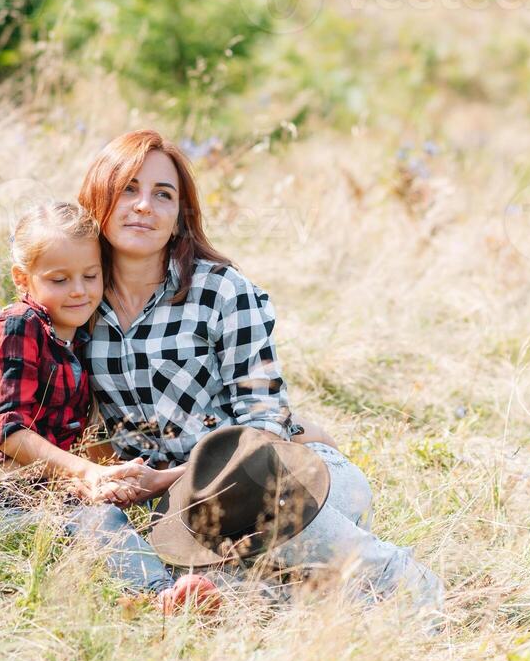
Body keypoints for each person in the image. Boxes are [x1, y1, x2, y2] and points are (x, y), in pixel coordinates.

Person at [73, 130, 443, 613]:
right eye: (128, 189)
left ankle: (419, 596)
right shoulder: (79, 301)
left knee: (276, 532)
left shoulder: (220, 291)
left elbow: (263, 415)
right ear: (98, 196)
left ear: (179, 216)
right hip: (177, 512)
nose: (144, 205)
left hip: (272, 475)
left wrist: (178, 478)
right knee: (223, 574)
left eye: (163, 194)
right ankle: (260, 606)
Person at [0, 200, 216, 613]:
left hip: (47, 480)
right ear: (23, 279)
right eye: (59, 279)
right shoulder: (20, 324)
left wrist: (108, 474)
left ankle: (185, 580)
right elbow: (8, 429)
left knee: (105, 512)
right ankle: (158, 597)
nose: (78, 290)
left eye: (90, 276)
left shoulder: (79, 336)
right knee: (98, 522)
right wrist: (87, 473)